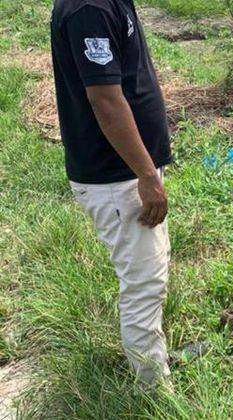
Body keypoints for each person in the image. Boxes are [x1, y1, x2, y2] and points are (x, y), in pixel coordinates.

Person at [51, 0, 172, 388]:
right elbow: (105, 99)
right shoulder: (90, 8)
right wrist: (146, 174)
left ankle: (154, 360)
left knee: (150, 271)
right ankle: (152, 390)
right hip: (118, 177)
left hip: (128, 172)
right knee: (143, 283)